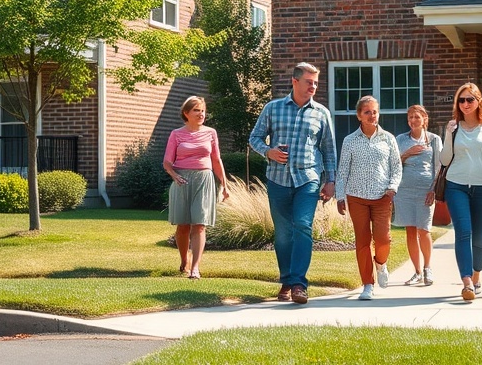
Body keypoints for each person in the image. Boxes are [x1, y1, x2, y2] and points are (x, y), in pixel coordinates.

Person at [249, 62, 337, 305]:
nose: (314, 86)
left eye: (316, 83)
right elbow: (254, 137)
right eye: (309, 82)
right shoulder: (273, 108)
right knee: (283, 234)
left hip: (308, 178)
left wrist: (331, 181)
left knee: (302, 225)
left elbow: (328, 149)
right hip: (277, 179)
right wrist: (269, 152)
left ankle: (299, 283)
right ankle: (286, 280)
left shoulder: (321, 113)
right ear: (295, 81)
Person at [335, 96, 402, 301]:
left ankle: (381, 264)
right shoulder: (350, 141)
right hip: (356, 197)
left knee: (383, 239)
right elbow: (343, 170)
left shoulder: (388, 138)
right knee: (362, 242)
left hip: (382, 196)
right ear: (359, 116)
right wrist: (340, 196)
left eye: (375, 111)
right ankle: (367, 284)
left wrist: (392, 187)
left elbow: (397, 166)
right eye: (367, 112)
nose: (372, 115)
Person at [440, 83, 482, 302]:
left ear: (479, 102)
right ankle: (467, 282)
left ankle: (476, 275)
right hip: (456, 186)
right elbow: (445, 160)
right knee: (463, 232)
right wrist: (448, 135)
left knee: (480, 239)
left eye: (470, 100)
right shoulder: (453, 127)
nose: (465, 104)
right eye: (461, 100)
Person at [163, 96, 230, 280]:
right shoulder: (176, 134)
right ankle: (184, 260)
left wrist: (224, 184)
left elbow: (216, 160)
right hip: (181, 180)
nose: (201, 114)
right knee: (183, 226)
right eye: (196, 110)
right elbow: (167, 162)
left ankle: (195, 267)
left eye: (203, 110)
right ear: (186, 113)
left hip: (204, 179)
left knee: (199, 225)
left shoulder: (211, 133)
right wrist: (175, 175)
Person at [394, 104, 442, 286]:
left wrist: (433, 189)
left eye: (416, 117)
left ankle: (428, 268)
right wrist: (406, 154)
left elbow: (438, 166)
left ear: (424, 119)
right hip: (404, 190)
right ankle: (416, 271)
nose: (413, 121)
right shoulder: (401, 139)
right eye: (410, 118)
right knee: (410, 231)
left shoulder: (434, 140)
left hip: (425, 191)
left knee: (424, 229)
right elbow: (393, 164)